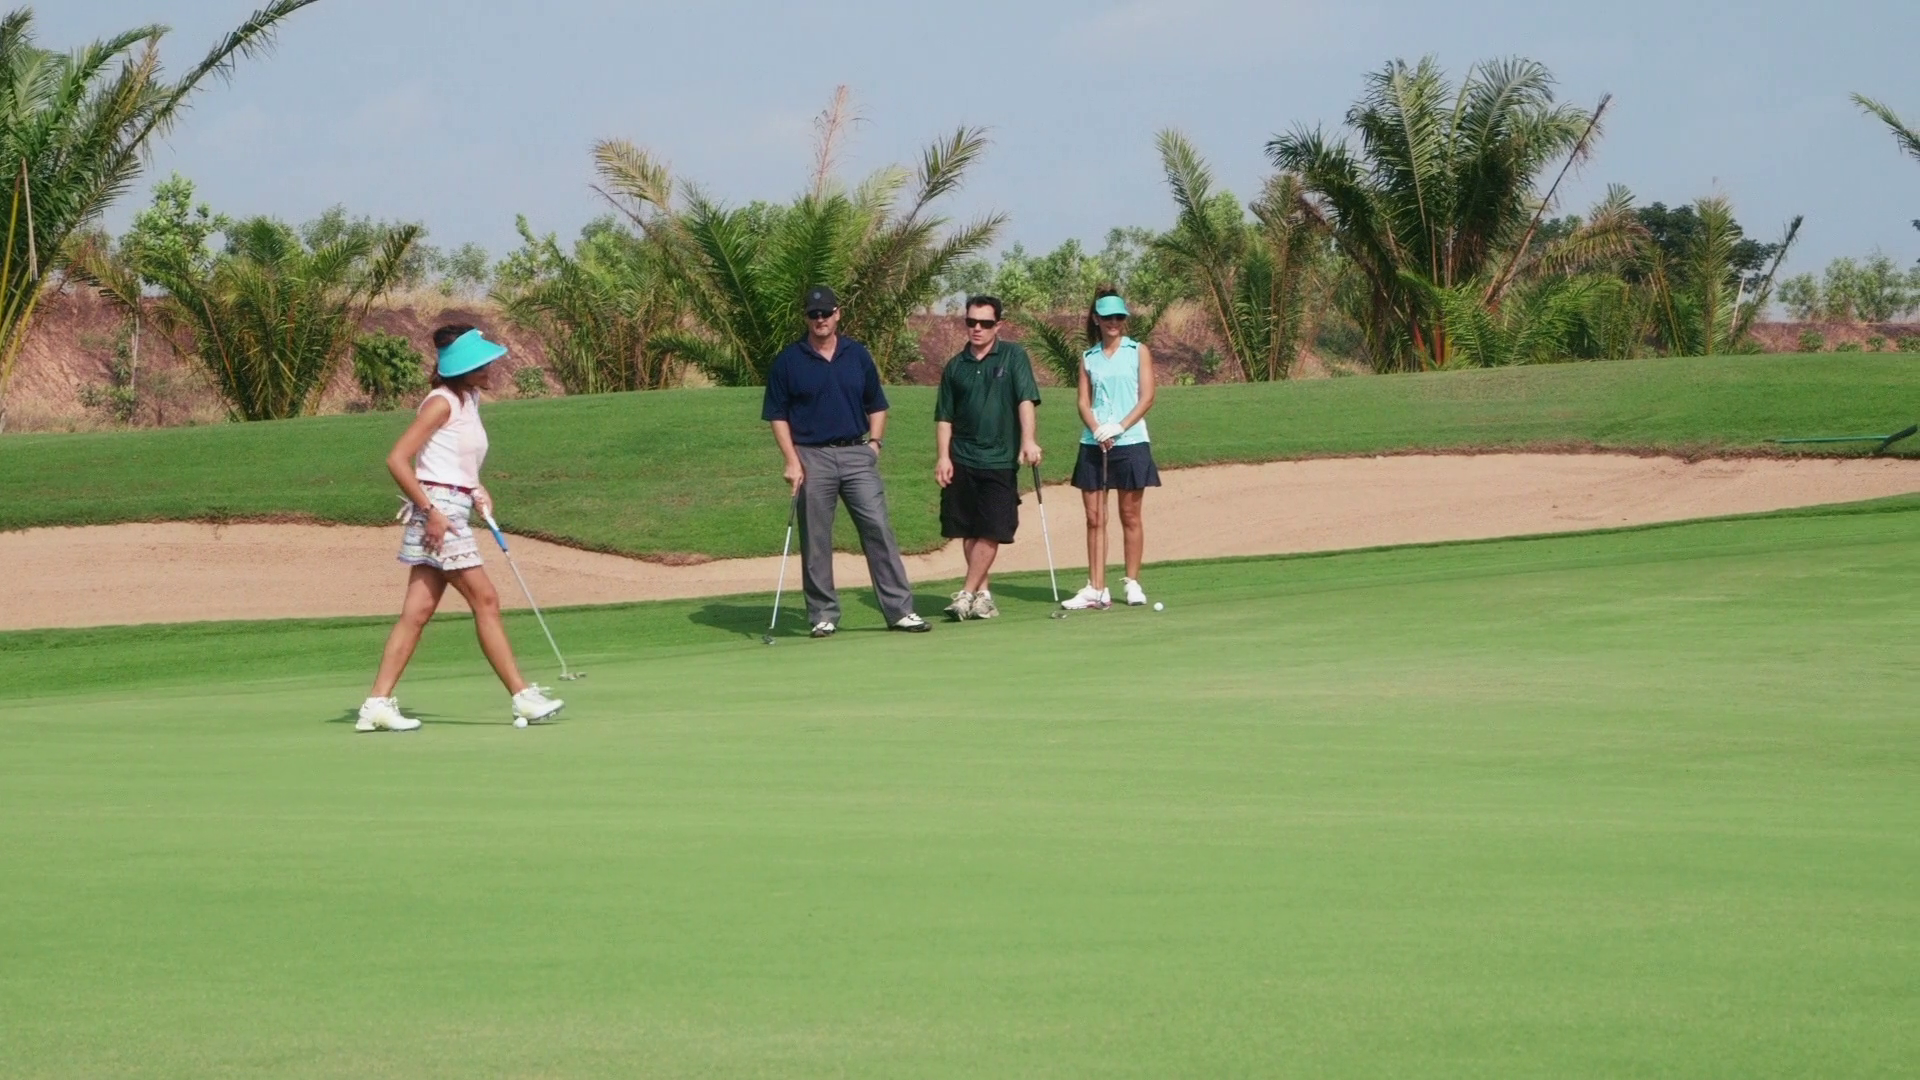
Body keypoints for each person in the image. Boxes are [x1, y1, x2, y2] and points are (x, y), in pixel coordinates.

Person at [356, 325, 566, 731]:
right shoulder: (440, 403)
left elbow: (455, 460)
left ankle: (376, 704)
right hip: (439, 515)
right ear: (462, 368)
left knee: (416, 613)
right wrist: (432, 510)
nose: (490, 368)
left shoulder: (470, 399)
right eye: (481, 363)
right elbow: (397, 459)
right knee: (486, 599)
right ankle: (522, 696)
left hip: (452, 507)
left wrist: (475, 487)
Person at [762, 286, 931, 637]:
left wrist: (875, 445)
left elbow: (877, 405)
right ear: (805, 318)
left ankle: (900, 611)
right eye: (813, 314)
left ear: (838, 314)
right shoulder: (788, 361)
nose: (820, 319)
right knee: (816, 538)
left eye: (826, 313)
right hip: (812, 456)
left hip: (857, 454)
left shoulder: (857, 355)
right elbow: (777, 416)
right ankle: (823, 615)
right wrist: (792, 461)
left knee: (878, 528)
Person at [934, 295, 1043, 620]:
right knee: (969, 530)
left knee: (992, 529)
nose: (977, 329)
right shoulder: (955, 366)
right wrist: (943, 457)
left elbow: (1025, 400)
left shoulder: (1013, 355)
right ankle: (983, 596)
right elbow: (944, 418)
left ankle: (966, 593)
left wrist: (1028, 440)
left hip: (999, 458)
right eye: (971, 322)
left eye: (985, 323)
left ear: (998, 325)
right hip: (962, 457)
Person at [1062, 289, 1159, 610]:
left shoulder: (1137, 351)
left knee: (1129, 515)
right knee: (1094, 518)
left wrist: (1119, 426)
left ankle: (1132, 582)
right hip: (1093, 443)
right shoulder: (1088, 357)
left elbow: (1147, 397)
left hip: (1130, 441)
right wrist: (1096, 429)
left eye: (1119, 317)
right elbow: (1082, 401)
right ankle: (1096, 588)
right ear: (1096, 319)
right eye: (1107, 317)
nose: (1113, 322)